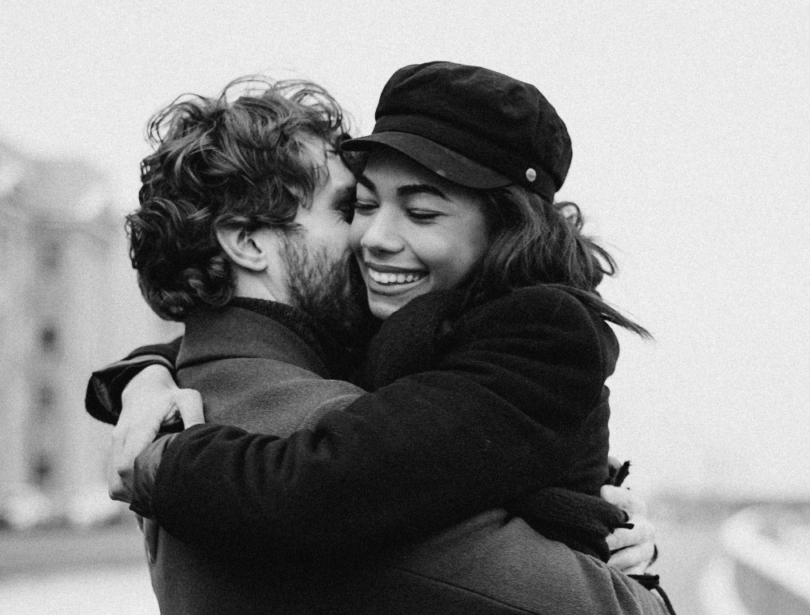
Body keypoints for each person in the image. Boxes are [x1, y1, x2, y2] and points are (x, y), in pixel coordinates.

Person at [91, 64, 670, 613]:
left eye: (419, 212)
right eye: (356, 205)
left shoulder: (198, 392)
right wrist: (639, 584)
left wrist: (146, 391)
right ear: (248, 242)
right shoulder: (304, 424)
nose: (370, 238)